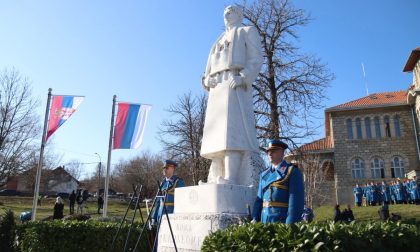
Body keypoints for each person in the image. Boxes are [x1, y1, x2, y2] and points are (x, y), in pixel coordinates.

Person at [200, 5, 264, 185]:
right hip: (216, 87)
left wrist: (244, 77)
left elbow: (256, 58)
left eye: (231, 12)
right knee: (217, 135)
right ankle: (215, 178)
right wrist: (206, 81)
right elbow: (208, 69)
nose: (226, 15)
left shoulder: (246, 31)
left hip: (233, 82)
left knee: (232, 133)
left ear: (239, 14)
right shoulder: (219, 39)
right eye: (224, 13)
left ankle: (232, 178)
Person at [252, 139, 304, 224]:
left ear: (282, 153)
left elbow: (295, 204)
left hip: (281, 224)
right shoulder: (264, 175)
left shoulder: (291, 171)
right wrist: (254, 219)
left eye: (274, 150)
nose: (270, 153)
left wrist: (289, 227)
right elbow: (259, 201)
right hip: (264, 223)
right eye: (268, 151)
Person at [151, 160, 185, 226]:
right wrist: (153, 217)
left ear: (172, 168)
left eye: (166, 168)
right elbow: (158, 202)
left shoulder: (178, 182)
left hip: (171, 216)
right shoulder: (162, 183)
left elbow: (181, 202)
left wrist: (176, 217)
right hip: (160, 216)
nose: (164, 170)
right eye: (163, 168)